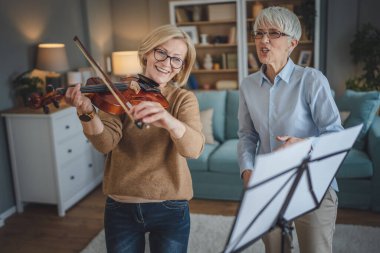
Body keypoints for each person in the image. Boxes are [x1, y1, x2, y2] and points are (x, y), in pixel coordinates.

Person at [65, 24, 205, 253]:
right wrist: (85, 112)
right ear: (147, 53)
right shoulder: (118, 94)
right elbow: (104, 143)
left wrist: (168, 120)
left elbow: (194, 149)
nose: (167, 63)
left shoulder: (182, 99)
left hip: (170, 206)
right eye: (161, 52)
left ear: (181, 67)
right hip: (121, 206)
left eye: (176, 59)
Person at [237, 6, 343, 253]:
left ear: (292, 43)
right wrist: (247, 172)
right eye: (259, 33)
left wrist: (305, 144)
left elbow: (335, 133)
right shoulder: (248, 85)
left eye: (274, 33)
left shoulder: (312, 80)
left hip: (311, 182)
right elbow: (246, 135)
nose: (264, 40)